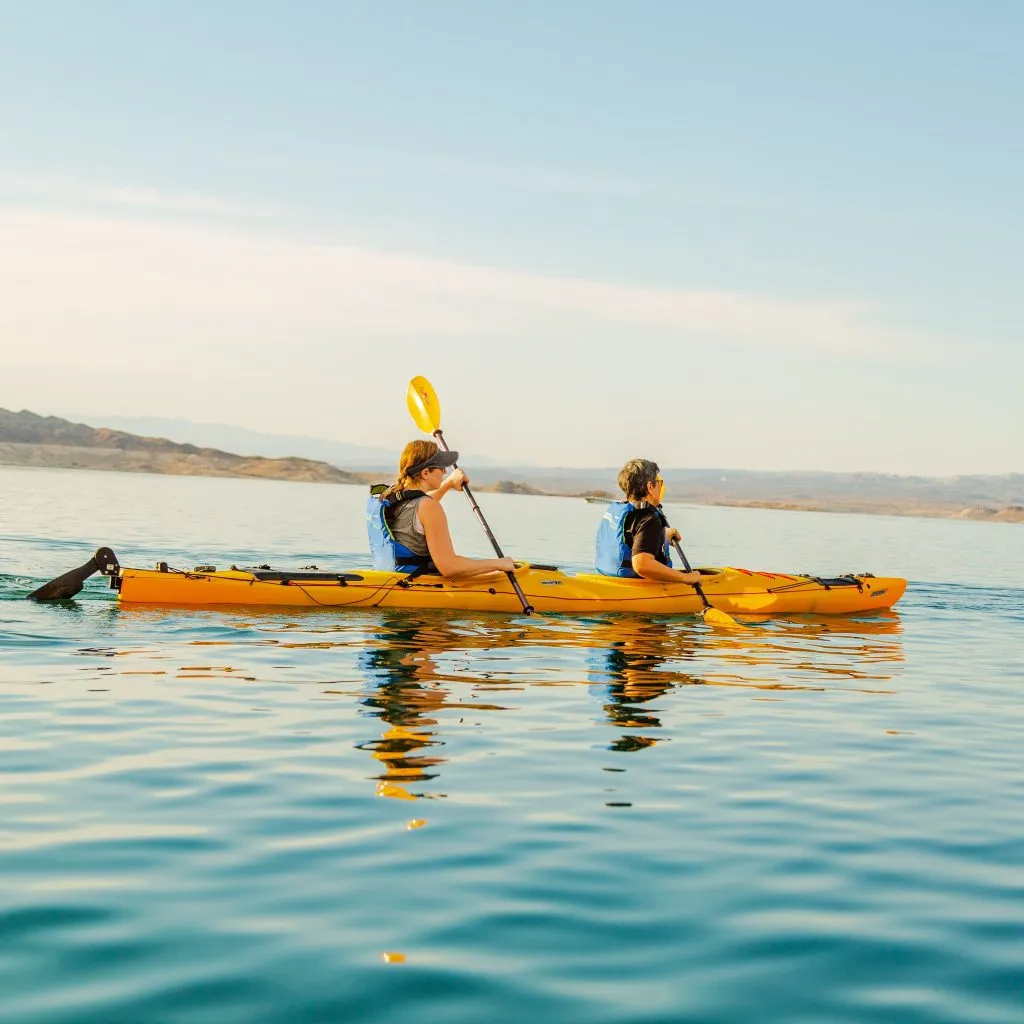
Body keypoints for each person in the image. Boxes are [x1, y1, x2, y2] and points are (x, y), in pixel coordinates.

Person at [367, 440, 517, 579]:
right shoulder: (429, 506)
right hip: (415, 583)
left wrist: (448, 484)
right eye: (441, 468)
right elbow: (448, 567)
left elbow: (419, 509)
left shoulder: (389, 496)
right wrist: (499, 564)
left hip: (387, 577)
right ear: (425, 473)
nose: (445, 472)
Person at [595, 458, 702, 584]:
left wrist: (661, 536)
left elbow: (630, 538)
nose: (661, 487)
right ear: (650, 487)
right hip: (632, 588)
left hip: (605, 579)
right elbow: (642, 565)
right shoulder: (649, 519)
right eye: (659, 482)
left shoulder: (623, 512)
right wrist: (685, 578)